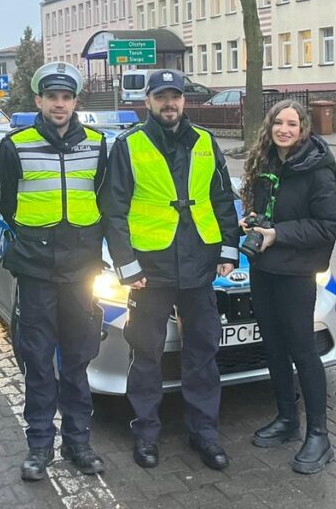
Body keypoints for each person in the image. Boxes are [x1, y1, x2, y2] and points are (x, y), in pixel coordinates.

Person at [102, 69, 240, 470]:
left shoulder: (204, 141)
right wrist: (128, 268)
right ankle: (146, 432)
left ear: (184, 100)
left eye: (175, 96)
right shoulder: (130, 145)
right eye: (161, 97)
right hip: (151, 270)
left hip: (200, 266)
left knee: (203, 353)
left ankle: (205, 432)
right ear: (147, 101)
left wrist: (227, 251)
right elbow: (115, 212)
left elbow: (220, 200)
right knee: (146, 354)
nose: (170, 103)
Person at [0, 62, 109, 481]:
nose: (59, 104)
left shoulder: (98, 144)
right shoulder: (15, 145)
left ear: (75, 101)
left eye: (66, 97)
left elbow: (106, 200)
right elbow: (4, 203)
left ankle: (78, 443)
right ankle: (39, 446)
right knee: (39, 362)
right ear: (39, 101)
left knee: (77, 361)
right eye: (51, 97)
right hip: (36, 270)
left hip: (81, 271)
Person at [239, 100, 336, 474]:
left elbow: (331, 223)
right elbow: (267, 211)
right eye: (278, 123)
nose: (284, 129)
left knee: (302, 349)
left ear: (304, 129)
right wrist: (253, 220)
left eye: (292, 124)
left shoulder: (315, 169)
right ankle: (287, 418)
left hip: (296, 272)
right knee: (273, 346)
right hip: (263, 267)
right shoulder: (266, 163)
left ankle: (319, 434)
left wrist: (277, 234)